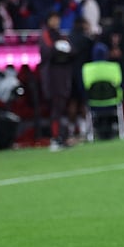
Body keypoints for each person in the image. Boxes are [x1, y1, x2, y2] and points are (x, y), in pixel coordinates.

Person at [38, 11, 74, 151]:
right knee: (55, 108)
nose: (56, 21)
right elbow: (49, 51)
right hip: (52, 77)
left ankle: (61, 137)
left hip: (62, 77)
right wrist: (60, 51)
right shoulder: (46, 35)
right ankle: (55, 138)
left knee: (61, 107)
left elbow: (71, 51)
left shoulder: (60, 35)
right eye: (54, 19)